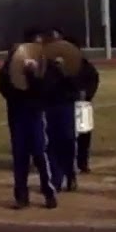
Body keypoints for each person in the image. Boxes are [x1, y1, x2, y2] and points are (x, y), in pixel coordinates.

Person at [0, 29, 57, 209]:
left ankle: (49, 192)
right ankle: (21, 196)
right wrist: (16, 73)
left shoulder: (45, 64)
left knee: (40, 154)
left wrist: (32, 76)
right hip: (17, 114)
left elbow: (46, 89)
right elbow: (5, 89)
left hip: (36, 114)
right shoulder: (12, 62)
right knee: (20, 157)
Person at [44, 29, 80, 192]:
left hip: (66, 104)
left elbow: (80, 82)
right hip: (49, 105)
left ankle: (70, 174)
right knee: (51, 142)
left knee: (68, 140)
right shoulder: (43, 62)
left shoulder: (72, 61)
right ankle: (56, 179)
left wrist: (63, 71)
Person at [75, 54, 101, 174]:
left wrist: (88, 93)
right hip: (65, 103)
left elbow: (94, 78)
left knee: (84, 135)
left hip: (83, 104)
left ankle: (82, 162)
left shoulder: (84, 65)